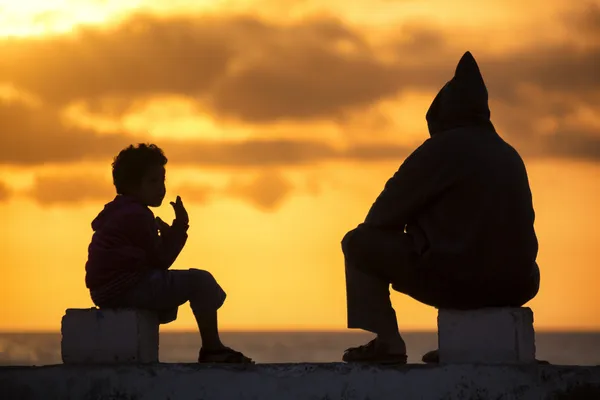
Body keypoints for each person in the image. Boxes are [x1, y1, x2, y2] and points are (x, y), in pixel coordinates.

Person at [341, 51, 540, 364]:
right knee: (479, 259)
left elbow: (378, 221)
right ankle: (469, 347)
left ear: (440, 114)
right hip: (518, 284)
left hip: (459, 282)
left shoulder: (439, 150)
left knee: (358, 242)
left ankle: (388, 342)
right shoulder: (509, 154)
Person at [85, 143, 253, 364]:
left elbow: (148, 258)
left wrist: (166, 237)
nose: (161, 188)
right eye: (153, 181)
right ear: (132, 186)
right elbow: (161, 261)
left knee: (183, 283)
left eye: (162, 180)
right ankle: (212, 348)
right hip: (125, 288)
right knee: (200, 281)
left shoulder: (119, 211)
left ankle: (212, 347)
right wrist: (179, 228)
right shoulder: (137, 215)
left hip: (107, 292)